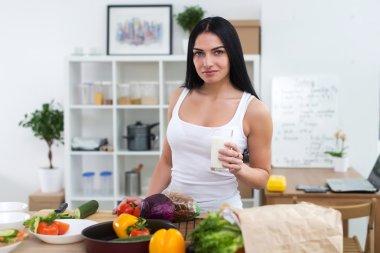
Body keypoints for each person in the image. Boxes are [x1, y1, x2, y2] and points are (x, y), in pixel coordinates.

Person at [118, 16, 272, 213]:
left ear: (232, 54)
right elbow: (166, 161)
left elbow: (263, 177)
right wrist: (147, 203)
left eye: (218, 52)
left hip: (221, 215)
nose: (207, 62)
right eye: (199, 53)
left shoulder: (254, 110)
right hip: (173, 211)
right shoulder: (179, 96)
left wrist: (240, 168)